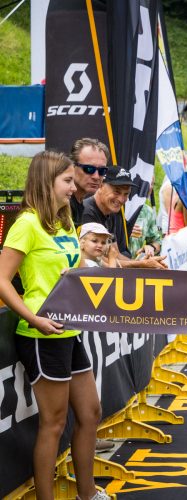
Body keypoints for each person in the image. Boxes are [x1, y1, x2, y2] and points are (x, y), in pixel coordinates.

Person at [0, 151, 109, 500]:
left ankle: (87, 493)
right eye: (66, 180)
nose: (73, 185)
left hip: (70, 331)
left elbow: (73, 268)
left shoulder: (63, 222)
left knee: (91, 413)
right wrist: (34, 319)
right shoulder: (26, 223)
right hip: (40, 334)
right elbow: (2, 280)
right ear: (47, 183)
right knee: (55, 422)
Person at [82, 167, 167, 268]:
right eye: (116, 192)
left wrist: (145, 263)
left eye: (126, 194)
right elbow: (99, 259)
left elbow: (115, 253)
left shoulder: (112, 211)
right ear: (100, 185)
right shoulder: (87, 212)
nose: (121, 199)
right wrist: (141, 265)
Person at [69, 137, 110, 226]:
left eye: (102, 170)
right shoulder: (60, 204)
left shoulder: (79, 203)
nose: (96, 176)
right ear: (72, 166)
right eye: (89, 169)